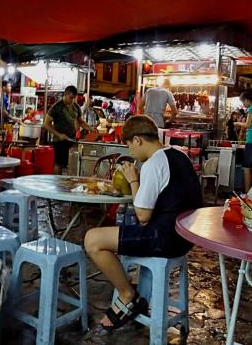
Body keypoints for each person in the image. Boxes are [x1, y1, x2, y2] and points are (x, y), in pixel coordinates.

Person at [84, 115, 202, 330]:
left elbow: (142, 215)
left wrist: (133, 180)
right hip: (185, 236)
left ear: (137, 140)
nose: (130, 152)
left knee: (92, 239)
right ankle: (132, 292)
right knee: (108, 235)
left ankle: (128, 294)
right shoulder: (177, 154)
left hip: (165, 238)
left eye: (129, 145)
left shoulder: (153, 163)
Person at [43, 85, 95, 174]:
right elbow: (46, 124)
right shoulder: (56, 107)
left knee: (71, 164)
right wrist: (59, 135)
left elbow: (80, 121)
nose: (72, 100)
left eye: (74, 98)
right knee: (59, 164)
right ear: (65, 95)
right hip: (59, 141)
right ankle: (57, 183)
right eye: (71, 98)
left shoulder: (76, 107)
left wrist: (90, 128)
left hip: (72, 140)